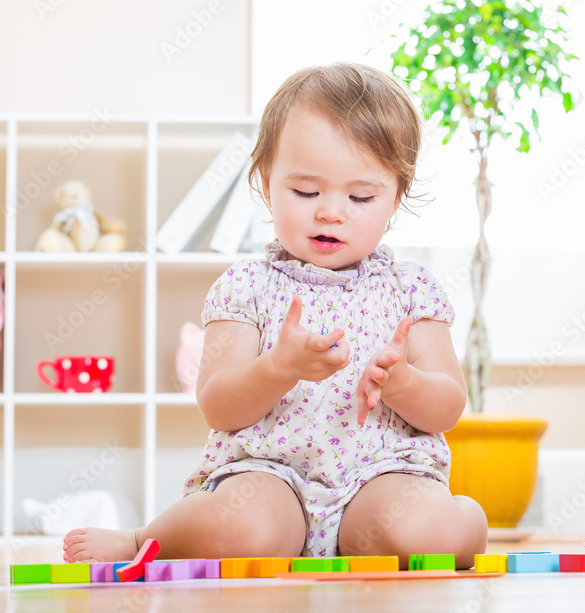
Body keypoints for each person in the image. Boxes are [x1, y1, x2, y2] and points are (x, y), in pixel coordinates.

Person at [63, 62, 487, 569]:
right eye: (306, 192)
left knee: (424, 535)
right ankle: (142, 541)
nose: (331, 211)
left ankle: (461, 518)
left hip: (384, 475)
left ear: (395, 196)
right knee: (239, 531)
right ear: (265, 183)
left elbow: (448, 406)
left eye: (361, 196)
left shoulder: (410, 288)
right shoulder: (247, 286)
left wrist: (403, 383)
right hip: (268, 478)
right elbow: (219, 406)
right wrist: (278, 369)